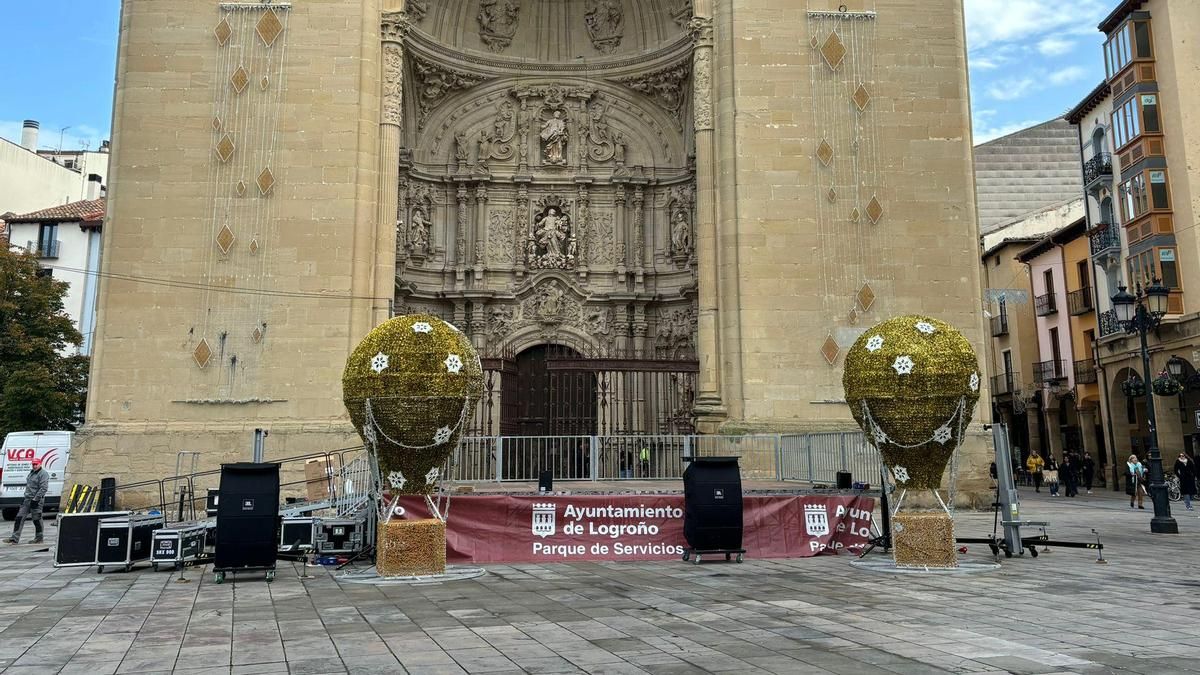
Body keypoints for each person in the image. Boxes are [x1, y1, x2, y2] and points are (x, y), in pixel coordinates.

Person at [6, 457, 48, 545]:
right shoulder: (31, 473)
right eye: (33, 464)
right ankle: (14, 538)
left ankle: (39, 538)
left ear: (40, 464)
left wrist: (36, 499)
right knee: (19, 518)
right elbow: (29, 486)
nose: (35, 466)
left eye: (36, 464)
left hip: (36, 500)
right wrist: (25, 497)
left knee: (37, 519)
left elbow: (43, 488)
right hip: (27, 500)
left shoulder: (43, 474)